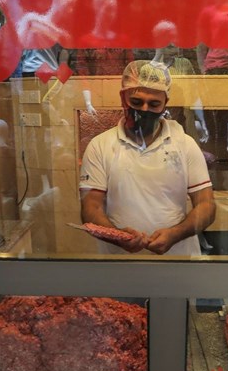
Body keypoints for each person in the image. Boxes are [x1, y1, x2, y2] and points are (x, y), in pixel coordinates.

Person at [79, 61, 216, 255]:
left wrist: (175, 234)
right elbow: (90, 207)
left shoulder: (185, 144)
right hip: (119, 264)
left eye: (154, 104)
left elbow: (206, 205)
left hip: (178, 262)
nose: (144, 109)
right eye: (136, 102)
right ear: (123, 97)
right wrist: (118, 236)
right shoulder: (99, 146)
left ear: (165, 104)